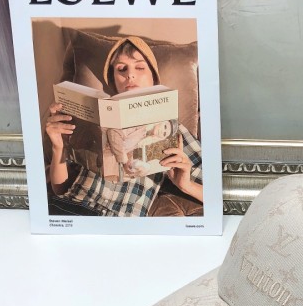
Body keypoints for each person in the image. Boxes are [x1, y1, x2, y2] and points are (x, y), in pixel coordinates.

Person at [45, 36, 203, 216]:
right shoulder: (94, 119)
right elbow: (60, 189)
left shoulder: (171, 127)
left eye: (140, 67)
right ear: (113, 81)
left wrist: (186, 185)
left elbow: (219, 194)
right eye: (121, 69)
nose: (130, 75)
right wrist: (58, 147)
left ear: (154, 78)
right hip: (70, 208)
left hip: (119, 220)